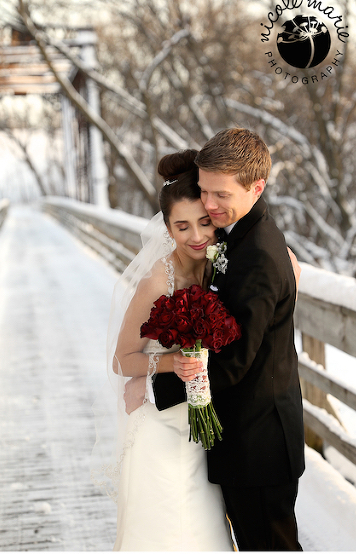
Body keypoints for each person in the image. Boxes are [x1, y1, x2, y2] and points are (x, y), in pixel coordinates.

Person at [127, 128, 305, 550]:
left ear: (256, 187)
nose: (209, 205)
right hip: (243, 437)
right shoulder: (235, 235)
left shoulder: (257, 253)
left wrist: (153, 387)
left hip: (258, 442)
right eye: (205, 191)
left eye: (219, 195)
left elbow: (235, 361)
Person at [91, 150, 234, 550]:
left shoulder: (219, 265)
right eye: (182, 226)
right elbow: (123, 358)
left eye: (204, 223)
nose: (196, 236)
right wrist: (173, 362)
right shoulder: (157, 281)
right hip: (159, 428)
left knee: (207, 534)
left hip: (204, 431)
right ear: (167, 230)